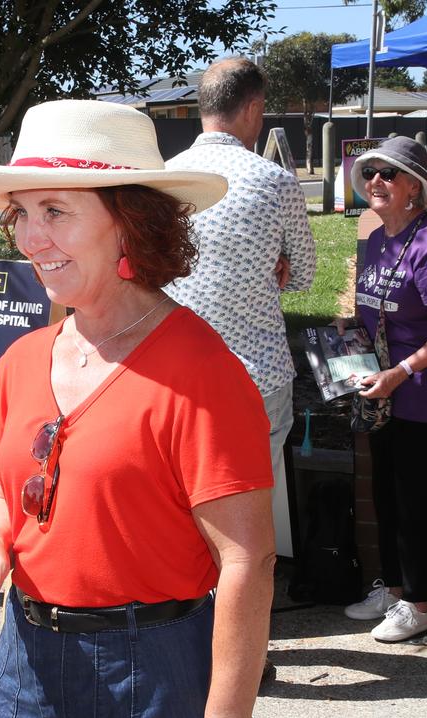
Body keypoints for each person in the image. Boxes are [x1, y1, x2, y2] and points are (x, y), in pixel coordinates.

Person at [0, 99, 276, 718]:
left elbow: (246, 560)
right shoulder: (22, 358)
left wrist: (228, 713)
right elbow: (2, 493)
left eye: (55, 212)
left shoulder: (199, 369)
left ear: (129, 224)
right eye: (21, 213)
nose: (29, 236)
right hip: (24, 655)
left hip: (149, 669)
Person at [164, 57, 316, 559]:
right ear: (252, 108)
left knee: (179, 503)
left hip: (176, 377)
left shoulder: (162, 182)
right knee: (252, 516)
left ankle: (194, 616)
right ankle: (249, 626)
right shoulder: (274, 182)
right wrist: (276, 265)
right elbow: (307, 276)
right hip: (258, 375)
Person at [341, 136, 427, 643]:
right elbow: (368, 315)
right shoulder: (375, 240)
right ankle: (392, 591)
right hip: (381, 389)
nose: (376, 180)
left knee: (415, 500)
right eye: (369, 171)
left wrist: (400, 372)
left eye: (388, 173)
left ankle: (418, 602)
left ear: (414, 186)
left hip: (424, 391)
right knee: (386, 495)